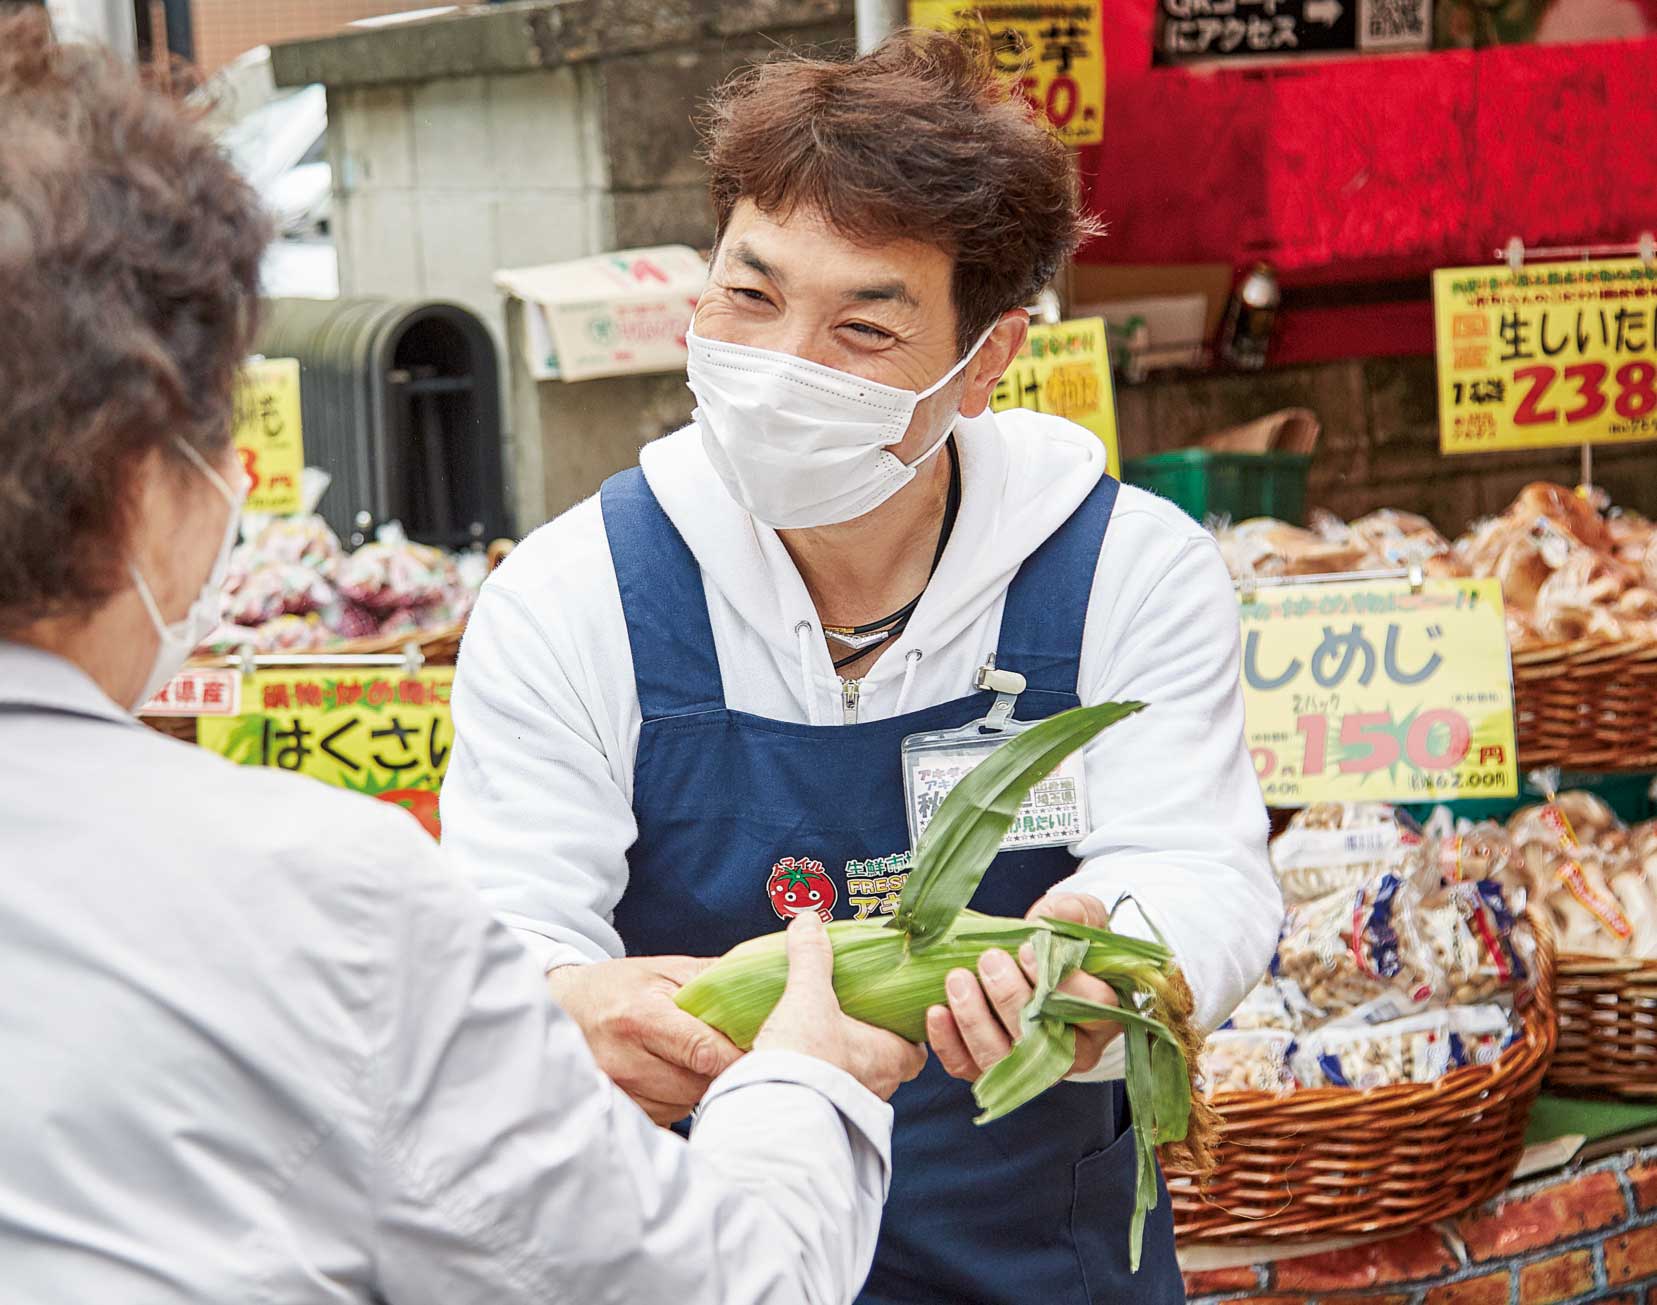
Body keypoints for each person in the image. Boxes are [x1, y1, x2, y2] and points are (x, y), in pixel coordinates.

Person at [0, 15, 925, 1303]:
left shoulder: (1112, 554)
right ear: (146, 480)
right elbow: (707, 1287)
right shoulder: (311, 893)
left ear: (984, 360)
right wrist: (804, 1083)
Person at [442, 30, 1281, 1305]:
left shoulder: (1124, 567)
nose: (783, 368)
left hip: (1036, 1249)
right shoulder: (573, 597)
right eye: (751, 294)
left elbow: (1198, 861)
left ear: (985, 361)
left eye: (862, 329)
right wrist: (567, 1001)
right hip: (697, 1250)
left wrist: (1110, 953)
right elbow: (506, 922)